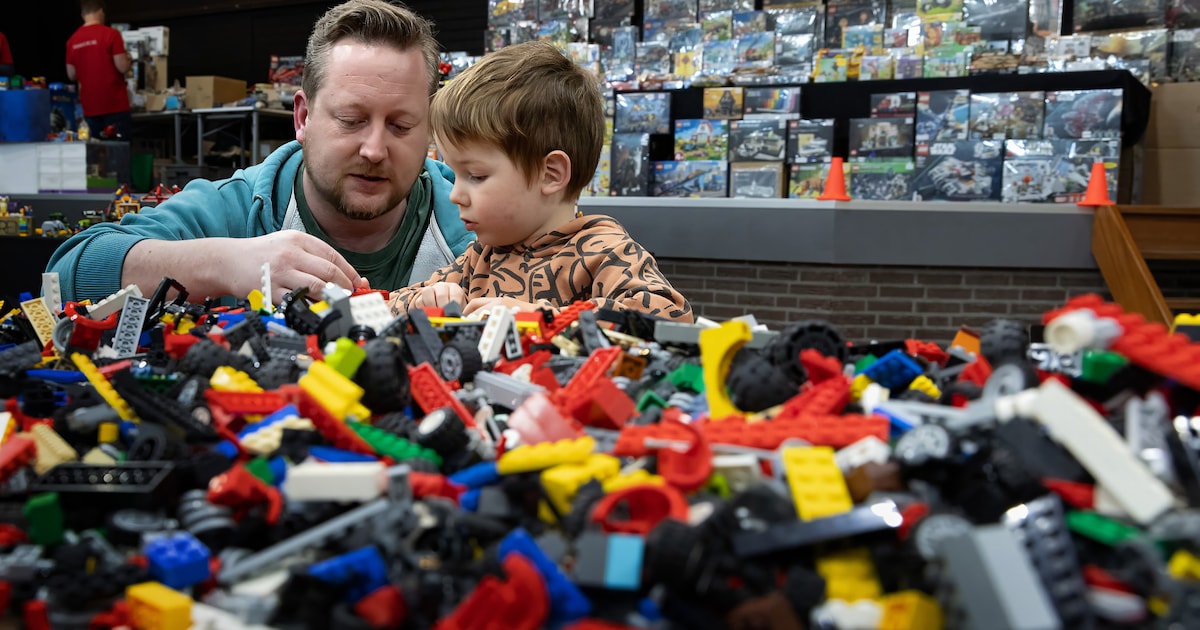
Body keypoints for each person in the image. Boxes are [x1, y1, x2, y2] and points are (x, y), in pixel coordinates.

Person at [47, 0, 474, 305]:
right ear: (303, 118)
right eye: (351, 119)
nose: (375, 149)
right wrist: (225, 263)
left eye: (401, 126)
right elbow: (68, 273)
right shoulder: (239, 209)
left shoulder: (476, 221)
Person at [388, 41, 692, 323]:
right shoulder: (481, 256)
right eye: (454, 173)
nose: (456, 195)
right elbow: (391, 305)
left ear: (551, 174)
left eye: (476, 176)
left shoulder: (601, 250)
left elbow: (670, 317)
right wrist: (425, 299)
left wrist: (544, 318)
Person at [66, 0, 133, 139]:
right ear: (101, 12)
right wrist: (129, 59)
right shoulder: (111, 34)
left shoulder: (72, 40)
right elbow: (122, 67)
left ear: (82, 14)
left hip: (89, 108)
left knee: (95, 155)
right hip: (114, 105)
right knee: (118, 154)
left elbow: (71, 75)